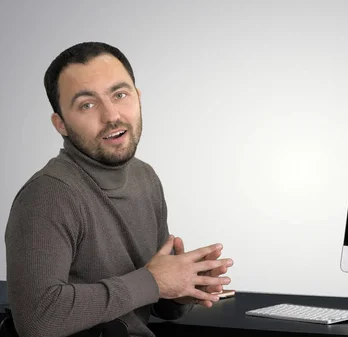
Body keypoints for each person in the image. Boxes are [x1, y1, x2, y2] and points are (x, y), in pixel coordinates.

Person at [4, 41, 234, 337]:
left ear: (137, 97)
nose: (111, 115)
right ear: (60, 124)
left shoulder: (145, 177)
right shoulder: (48, 196)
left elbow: (147, 297)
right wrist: (154, 282)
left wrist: (182, 289)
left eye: (120, 94)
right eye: (87, 104)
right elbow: (38, 319)